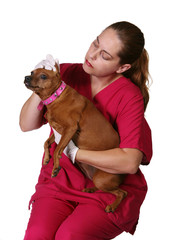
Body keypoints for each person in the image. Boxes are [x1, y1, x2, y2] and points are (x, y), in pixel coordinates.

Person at [20, 21, 152, 240]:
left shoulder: (128, 96)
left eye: (104, 56)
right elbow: (26, 125)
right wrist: (41, 83)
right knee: (37, 235)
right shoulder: (65, 74)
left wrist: (74, 153)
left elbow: (129, 162)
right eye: (95, 44)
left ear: (122, 68)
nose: (92, 55)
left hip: (104, 185)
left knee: (69, 235)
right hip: (60, 181)